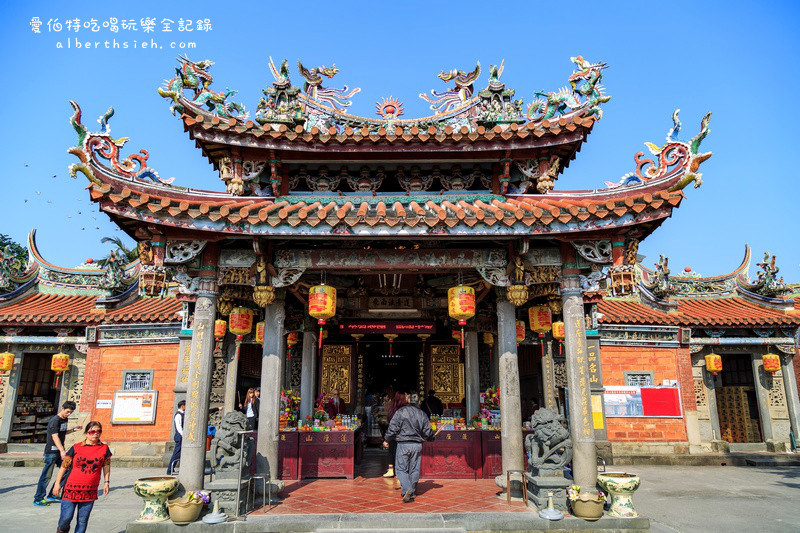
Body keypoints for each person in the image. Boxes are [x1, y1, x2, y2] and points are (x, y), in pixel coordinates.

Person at [53, 421, 111, 533]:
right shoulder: (76, 447)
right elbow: (64, 466)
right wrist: (57, 483)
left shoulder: (104, 448)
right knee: (66, 518)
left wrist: (106, 482)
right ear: (86, 432)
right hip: (71, 489)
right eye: (93, 431)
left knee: (82, 521)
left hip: (89, 491)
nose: (96, 434)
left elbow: (106, 466)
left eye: (98, 431)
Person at [383, 393, 437, 502]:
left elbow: (392, 428)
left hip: (403, 444)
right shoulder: (422, 414)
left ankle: (407, 489)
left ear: (408, 401)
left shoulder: (400, 412)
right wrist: (431, 437)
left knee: (400, 469)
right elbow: (427, 431)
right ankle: (410, 492)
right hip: (416, 445)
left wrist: (387, 439)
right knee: (414, 469)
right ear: (418, 402)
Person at [33, 401, 80, 506]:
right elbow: (55, 436)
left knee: (67, 469)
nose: (68, 414)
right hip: (52, 451)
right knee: (46, 475)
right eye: (67, 412)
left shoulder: (64, 419)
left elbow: (62, 432)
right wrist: (62, 450)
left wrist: (73, 430)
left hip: (59, 451)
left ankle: (53, 493)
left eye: (70, 413)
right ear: (62, 408)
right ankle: (38, 498)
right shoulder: (55, 420)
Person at [383, 391, 408, 478]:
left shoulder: (393, 408)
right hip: (402, 435)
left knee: (391, 450)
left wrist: (387, 438)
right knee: (400, 452)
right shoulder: (405, 409)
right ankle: (400, 470)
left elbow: (390, 421)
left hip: (393, 434)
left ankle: (390, 470)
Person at [166, 400, 185, 474]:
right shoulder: (178, 415)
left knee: (179, 453)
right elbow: (179, 427)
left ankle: (171, 468)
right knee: (176, 453)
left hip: (181, 435)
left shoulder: (183, 414)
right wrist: (183, 435)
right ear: (182, 406)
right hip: (179, 436)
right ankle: (170, 469)